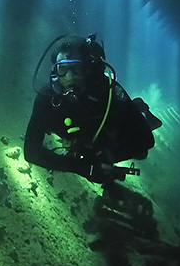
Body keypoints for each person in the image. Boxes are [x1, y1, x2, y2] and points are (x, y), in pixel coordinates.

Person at [23, 33, 158, 184]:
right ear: (55, 71)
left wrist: (106, 156)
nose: (69, 77)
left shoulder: (108, 91)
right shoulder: (47, 98)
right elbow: (31, 152)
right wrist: (81, 167)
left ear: (87, 69)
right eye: (63, 69)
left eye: (76, 69)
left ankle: (140, 110)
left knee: (141, 154)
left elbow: (146, 140)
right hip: (82, 141)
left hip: (107, 136)